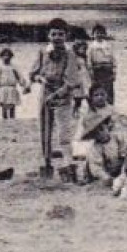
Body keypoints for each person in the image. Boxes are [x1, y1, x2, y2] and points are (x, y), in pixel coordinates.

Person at [31, 19, 88, 179]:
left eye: (60, 34)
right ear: (48, 35)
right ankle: (47, 162)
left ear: (66, 35)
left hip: (63, 95)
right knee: (45, 129)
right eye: (54, 34)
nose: (57, 37)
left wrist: (56, 94)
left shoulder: (70, 54)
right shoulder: (43, 53)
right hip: (45, 93)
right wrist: (41, 80)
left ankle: (68, 163)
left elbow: (72, 81)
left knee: (64, 131)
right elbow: (34, 73)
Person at [75, 110, 127, 194]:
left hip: (121, 169)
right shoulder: (95, 148)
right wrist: (106, 177)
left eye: (101, 129)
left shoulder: (118, 137)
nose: (100, 134)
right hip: (107, 172)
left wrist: (124, 170)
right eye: (96, 133)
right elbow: (96, 168)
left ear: (107, 126)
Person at [87, 24, 116, 109]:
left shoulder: (108, 45)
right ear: (93, 34)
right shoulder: (91, 46)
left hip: (107, 69)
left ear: (104, 34)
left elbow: (113, 58)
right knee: (96, 89)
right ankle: (95, 108)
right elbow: (89, 60)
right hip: (97, 70)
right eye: (97, 33)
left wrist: (114, 72)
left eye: (101, 33)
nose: (99, 35)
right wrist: (91, 72)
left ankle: (110, 108)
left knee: (109, 90)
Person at [0, 48, 30, 119]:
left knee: (12, 106)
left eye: (8, 56)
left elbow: (20, 77)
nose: (6, 57)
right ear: (1, 57)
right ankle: (4, 120)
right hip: (3, 88)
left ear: (11, 57)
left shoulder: (14, 67)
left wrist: (24, 86)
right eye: (4, 56)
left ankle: (12, 120)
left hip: (12, 88)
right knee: (4, 106)